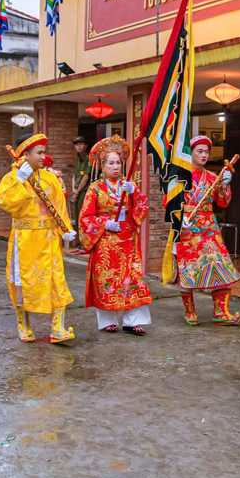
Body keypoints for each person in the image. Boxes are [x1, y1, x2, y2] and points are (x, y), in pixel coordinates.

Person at [0, 133, 77, 343]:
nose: (43, 156)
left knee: (56, 280)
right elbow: (6, 203)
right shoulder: (12, 178)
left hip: (49, 237)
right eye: (39, 153)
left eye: (44, 152)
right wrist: (20, 181)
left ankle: (57, 328)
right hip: (25, 238)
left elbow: (59, 206)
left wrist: (65, 228)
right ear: (25, 154)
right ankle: (24, 324)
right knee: (23, 282)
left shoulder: (50, 178)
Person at [77, 135, 153, 335]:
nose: (116, 167)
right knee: (106, 280)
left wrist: (134, 194)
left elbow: (143, 208)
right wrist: (104, 222)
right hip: (106, 242)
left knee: (133, 278)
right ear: (102, 166)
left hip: (128, 240)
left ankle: (132, 320)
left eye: (118, 162)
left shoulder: (127, 185)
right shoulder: (95, 188)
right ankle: (107, 320)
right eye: (111, 163)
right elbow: (85, 217)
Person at [171, 135, 240, 326]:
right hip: (187, 227)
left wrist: (225, 185)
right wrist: (179, 217)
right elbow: (169, 201)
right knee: (188, 267)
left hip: (209, 228)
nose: (204, 155)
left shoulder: (212, 177)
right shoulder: (180, 175)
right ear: (191, 153)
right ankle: (190, 311)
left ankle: (221, 312)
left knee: (220, 264)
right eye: (199, 151)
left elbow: (223, 202)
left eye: (206, 152)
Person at [69, 135, 92, 220]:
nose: (78, 146)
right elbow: (75, 174)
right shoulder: (78, 158)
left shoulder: (88, 158)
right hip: (77, 192)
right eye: (76, 145)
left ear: (85, 145)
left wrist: (77, 191)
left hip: (83, 191)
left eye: (81, 144)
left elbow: (86, 177)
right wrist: (73, 188)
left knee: (82, 214)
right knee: (77, 214)